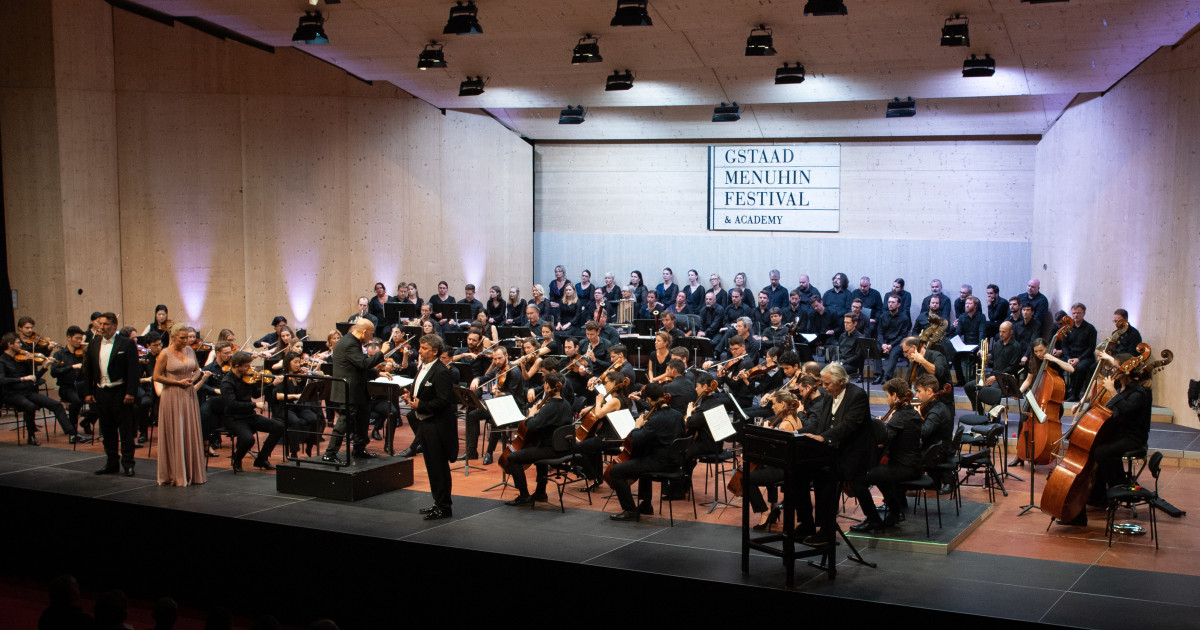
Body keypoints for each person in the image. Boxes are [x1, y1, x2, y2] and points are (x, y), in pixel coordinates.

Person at [797, 363, 871, 545]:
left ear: (841, 381)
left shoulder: (857, 395)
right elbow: (822, 422)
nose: (824, 387)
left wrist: (822, 438)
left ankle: (826, 529)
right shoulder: (828, 395)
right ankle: (806, 523)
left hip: (851, 453)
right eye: (823, 383)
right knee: (798, 473)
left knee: (824, 477)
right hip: (831, 450)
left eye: (827, 383)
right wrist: (807, 434)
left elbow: (849, 425)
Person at [849, 378, 923, 533]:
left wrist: (880, 426)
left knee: (858, 481)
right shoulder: (911, 412)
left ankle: (873, 520)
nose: (887, 399)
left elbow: (885, 438)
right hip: (914, 464)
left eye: (887, 396)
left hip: (905, 466)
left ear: (895, 395)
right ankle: (895, 513)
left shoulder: (900, 416)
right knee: (880, 476)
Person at [606, 383, 684, 522]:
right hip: (675, 462)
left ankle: (630, 510)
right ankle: (646, 505)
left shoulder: (655, 419)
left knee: (616, 471)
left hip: (659, 463)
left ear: (648, 400)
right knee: (643, 459)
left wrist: (637, 426)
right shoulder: (678, 415)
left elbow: (636, 439)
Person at [402, 334, 458, 520]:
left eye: (424, 348)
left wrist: (421, 405)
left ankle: (444, 506)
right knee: (431, 466)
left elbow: (444, 401)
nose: (420, 351)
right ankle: (437, 503)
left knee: (439, 467)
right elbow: (423, 393)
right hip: (425, 423)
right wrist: (411, 399)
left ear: (435, 351)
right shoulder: (423, 367)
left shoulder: (441, 372)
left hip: (437, 426)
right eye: (420, 347)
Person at [78, 312, 141, 476]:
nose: (101, 327)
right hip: (101, 392)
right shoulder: (93, 343)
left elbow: (134, 370)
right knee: (107, 430)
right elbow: (88, 370)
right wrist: (88, 392)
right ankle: (111, 462)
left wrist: (131, 392)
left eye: (105, 324)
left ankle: (128, 464)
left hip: (120, 392)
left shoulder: (126, 344)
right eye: (100, 324)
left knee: (125, 431)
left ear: (114, 326)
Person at [502, 372, 575, 506]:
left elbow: (532, 426)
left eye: (544, 383)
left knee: (512, 458)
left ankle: (524, 495)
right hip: (564, 447)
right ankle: (541, 492)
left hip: (551, 449)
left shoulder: (550, 407)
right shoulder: (566, 404)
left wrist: (531, 414)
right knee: (538, 456)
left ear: (548, 386)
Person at [322, 320, 390, 462]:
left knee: (362, 419)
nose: (371, 337)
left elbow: (357, 367)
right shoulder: (350, 343)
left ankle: (359, 449)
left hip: (357, 389)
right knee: (345, 421)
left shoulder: (352, 341)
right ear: (364, 331)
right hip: (348, 390)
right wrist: (382, 352)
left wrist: (378, 374)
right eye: (371, 334)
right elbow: (363, 363)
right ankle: (330, 453)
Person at [153, 323, 209, 486]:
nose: (186, 341)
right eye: (182, 338)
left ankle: (191, 472)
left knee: (189, 430)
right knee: (176, 431)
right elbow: (156, 376)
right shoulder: (165, 353)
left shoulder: (190, 350)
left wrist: (194, 378)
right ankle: (175, 473)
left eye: (187, 337)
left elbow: (198, 369)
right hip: (172, 395)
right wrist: (177, 382)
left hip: (188, 394)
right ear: (173, 337)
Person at [743, 390, 802, 530]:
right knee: (765, 469)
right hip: (791, 467)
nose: (772, 407)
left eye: (774, 404)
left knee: (746, 478)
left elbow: (776, 455)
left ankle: (764, 511)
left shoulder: (784, 425)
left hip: (784, 469)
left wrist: (766, 434)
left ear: (782, 404)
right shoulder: (797, 419)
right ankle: (774, 507)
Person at [222, 351, 286, 471]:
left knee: (279, 427)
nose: (250, 368)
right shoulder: (227, 382)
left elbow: (256, 394)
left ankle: (261, 459)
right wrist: (254, 404)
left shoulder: (248, 378)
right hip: (234, 418)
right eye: (246, 366)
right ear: (237, 366)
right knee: (248, 439)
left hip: (249, 415)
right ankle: (237, 460)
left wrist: (273, 384)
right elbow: (232, 404)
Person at [51, 326, 95, 440]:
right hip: (67, 388)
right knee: (76, 400)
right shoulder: (59, 355)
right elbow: (54, 372)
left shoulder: (82, 353)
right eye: (77, 338)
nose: (80, 341)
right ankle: (73, 432)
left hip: (82, 386)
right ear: (69, 338)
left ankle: (86, 421)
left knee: (101, 399)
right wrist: (71, 367)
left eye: (81, 339)